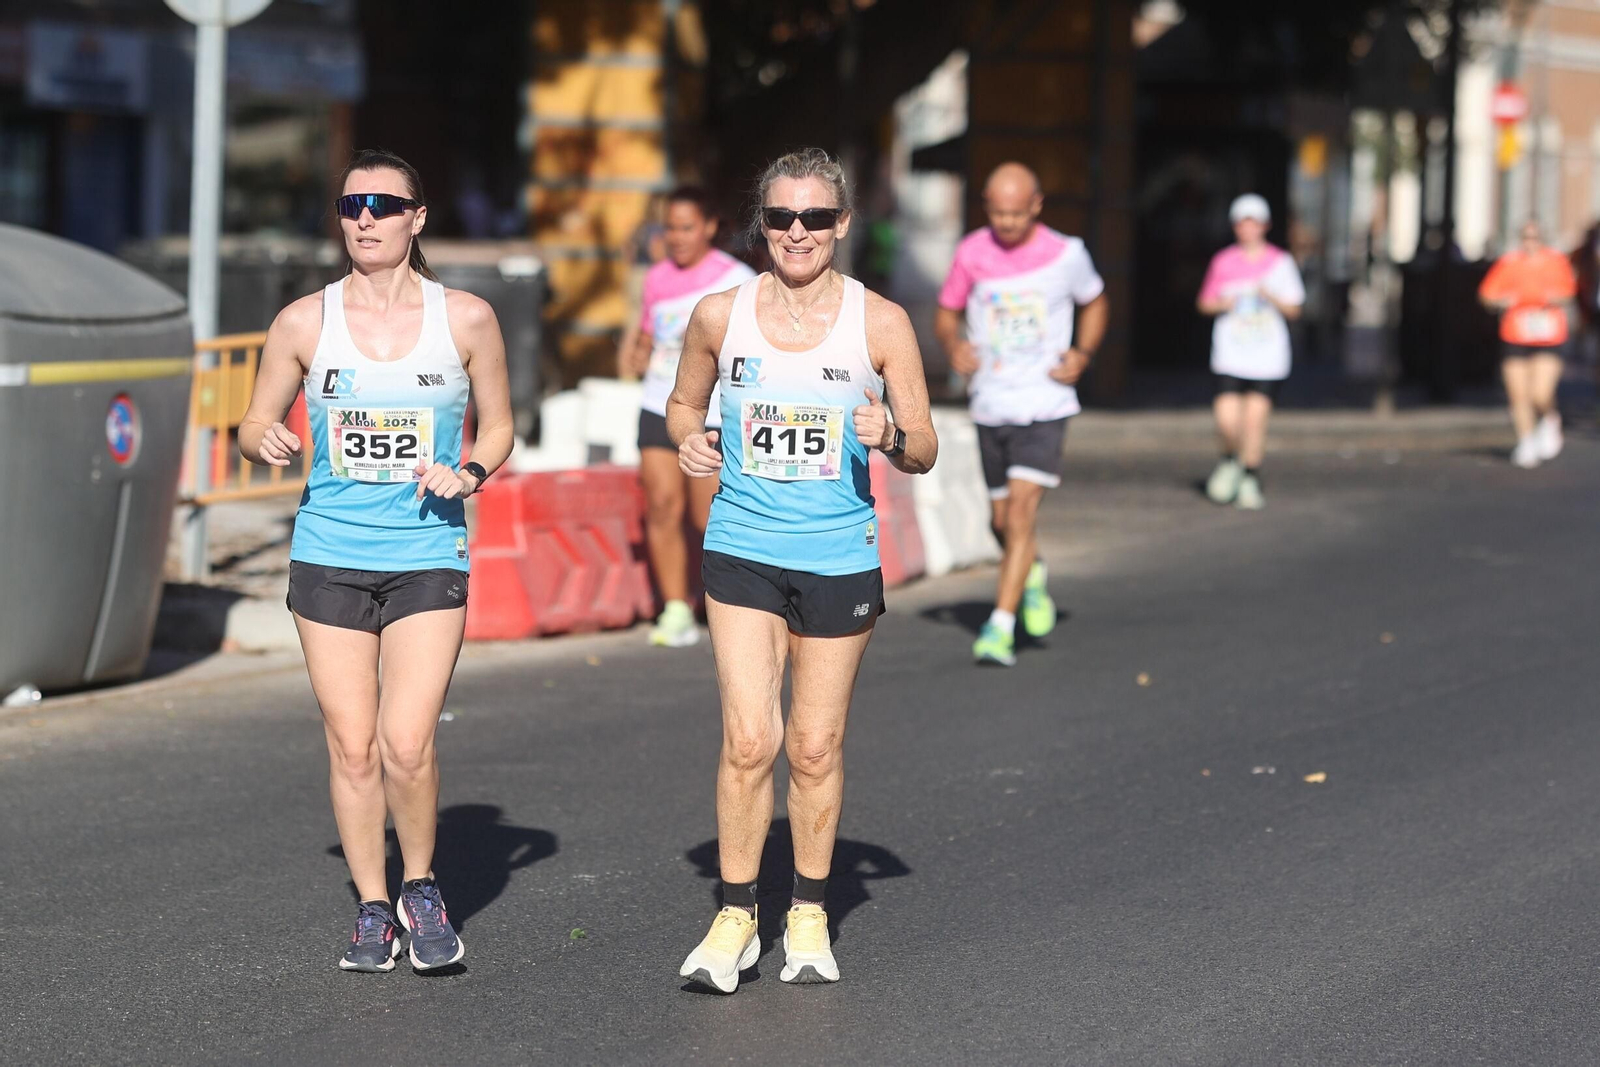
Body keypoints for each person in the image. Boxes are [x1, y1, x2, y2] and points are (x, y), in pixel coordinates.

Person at [667, 147, 937, 993]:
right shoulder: (720, 314)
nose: (796, 232)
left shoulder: (881, 322)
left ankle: (809, 909)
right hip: (742, 544)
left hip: (836, 553)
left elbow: (925, 444)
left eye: (814, 218)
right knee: (751, 739)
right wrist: (689, 438)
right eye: (781, 217)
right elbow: (682, 401)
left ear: (841, 224)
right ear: (761, 223)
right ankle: (738, 913)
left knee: (814, 747)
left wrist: (889, 434)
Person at [238, 149, 514, 973]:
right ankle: (370, 905)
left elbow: (499, 427)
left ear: (416, 219)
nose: (364, 217)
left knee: (405, 739)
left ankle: (420, 884)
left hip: (429, 548)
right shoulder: (302, 322)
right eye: (351, 203)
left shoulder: (464, 318)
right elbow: (249, 425)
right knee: (352, 745)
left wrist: (467, 470)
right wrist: (268, 438)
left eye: (383, 205)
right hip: (328, 551)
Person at [933, 162, 1108, 668]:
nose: (1007, 222)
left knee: (1023, 512)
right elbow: (947, 311)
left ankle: (999, 626)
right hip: (991, 402)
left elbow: (1096, 302)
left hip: (1046, 402)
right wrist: (952, 344)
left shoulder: (1067, 254)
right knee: (1002, 521)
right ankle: (1030, 570)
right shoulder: (972, 251)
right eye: (997, 212)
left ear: (1036, 205)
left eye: (1016, 212)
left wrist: (1083, 353)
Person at [619, 186, 755, 647]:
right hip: (658, 402)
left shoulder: (735, 278)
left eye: (687, 227)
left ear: (711, 227)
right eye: (670, 228)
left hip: (712, 412)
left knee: (706, 516)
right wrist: (637, 355)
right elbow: (645, 336)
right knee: (661, 506)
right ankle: (675, 607)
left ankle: (721, 602)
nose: (676, 237)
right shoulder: (656, 277)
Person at [1195, 193, 1305, 509]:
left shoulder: (1280, 263)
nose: (1248, 228)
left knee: (1255, 421)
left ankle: (1249, 477)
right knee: (1227, 421)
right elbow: (1204, 303)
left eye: (1254, 221)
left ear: (1265, 226)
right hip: (1231, 354)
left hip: (1267, 357)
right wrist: (1222, 304)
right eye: (1243, 222)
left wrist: (1270, 295)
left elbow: (1295, 308)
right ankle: (1230, 460)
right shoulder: (1223, 261)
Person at [1479, 218, 1577, 468]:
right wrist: (1502, 301)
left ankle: (1550, 418)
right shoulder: (1510, 263)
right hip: (1516, 332)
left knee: (1540, 392)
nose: (1530, 242)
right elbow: (1487, 295)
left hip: (1546, 333)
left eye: (1535, 237)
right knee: (1517, 394)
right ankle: (1526, 440)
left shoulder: (1556, 261)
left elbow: (1568, 292)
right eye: (1526, 237)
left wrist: (1552, 299)